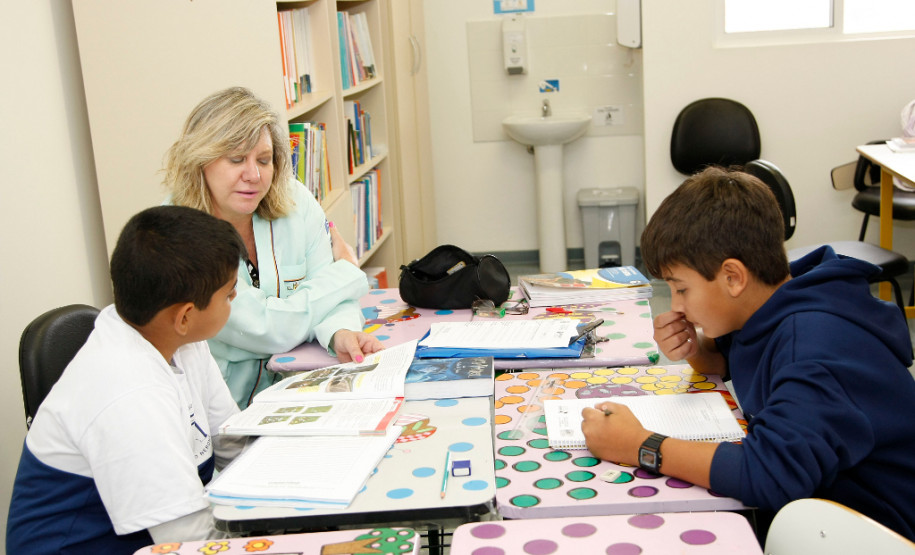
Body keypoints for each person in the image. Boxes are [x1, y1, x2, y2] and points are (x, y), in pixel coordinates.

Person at [580, 166, 915, 541]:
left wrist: (640, 444)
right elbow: (726, 359)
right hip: (823, 507)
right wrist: (696, 350)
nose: (675, 306)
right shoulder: (775, 297)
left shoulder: (812, 346)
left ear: (733, 277)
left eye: (681, 289)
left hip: (875, 532)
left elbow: (770, 475)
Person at [7, 206, 248, 553]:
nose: (234, 299)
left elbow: (232, 444)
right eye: (228, 293)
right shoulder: (128, 391)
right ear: (185, 316)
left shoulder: (180, 342)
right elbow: (191, 541)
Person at [163, 86, 383, 407]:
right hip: (221, 410)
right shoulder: (178, 233)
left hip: (299, 391)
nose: (253, 174)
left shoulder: (294, 199)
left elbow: (333, 298)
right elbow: (264, 328)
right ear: (200, 161)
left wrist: (340, 331)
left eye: (264, 160)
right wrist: (346, 272)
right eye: (237, 159)